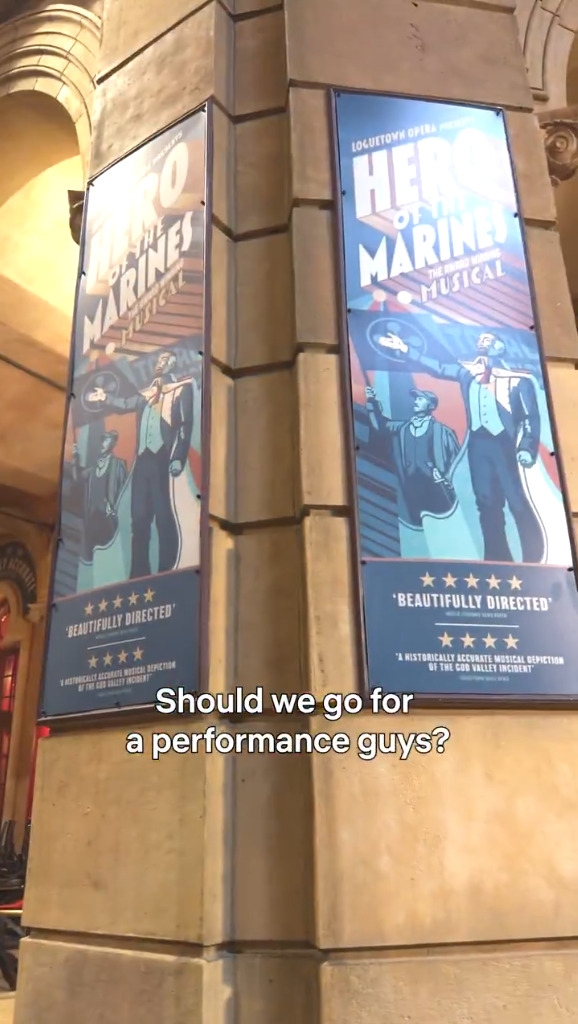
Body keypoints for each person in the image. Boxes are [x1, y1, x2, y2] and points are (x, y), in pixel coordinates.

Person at [377, 330, 544, 562]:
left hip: (505, 445)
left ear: (499, 348)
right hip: (478, 444)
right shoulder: (468, 374)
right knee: (486, 501)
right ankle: (497, 556)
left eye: (489, 339)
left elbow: (530, 417)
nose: (482, 341)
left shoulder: (517, 380)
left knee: (516, 500)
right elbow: (438, 367)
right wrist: (406, 349)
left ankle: (534, 555)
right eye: (481, 339)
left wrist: (526, 447)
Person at [88, 350, 194, 579]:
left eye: (165, 360)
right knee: (139, 518)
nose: (160, 363)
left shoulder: (181, 390)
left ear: (174, 364)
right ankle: (138, 572)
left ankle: (167, 569)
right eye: (159, 359)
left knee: (163, 517)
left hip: (163, 459)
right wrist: (105, 397)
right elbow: (125, 403)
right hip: (143, 461)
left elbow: (185, 425)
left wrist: (178, 457)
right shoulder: (146, 394)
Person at [365, 385, 459, 525]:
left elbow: (458, 464)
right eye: (416, 399)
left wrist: (445, 478)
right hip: (411, 489)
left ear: (431, 405)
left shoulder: (443, 432)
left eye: (420, 399)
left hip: (435, 490)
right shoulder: (404, 427)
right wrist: (372, 402)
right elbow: (381, 425)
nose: (416, 401)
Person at [72, 430, 127, 562]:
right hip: (91, 521)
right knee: (90, 558)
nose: (102, 443)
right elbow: (77, 478)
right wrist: (75, 457)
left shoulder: (118, 465)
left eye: (106, 439)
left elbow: (125, 494)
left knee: (108, 559)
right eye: (102, 439)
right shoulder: (93, 469)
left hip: (108, 522)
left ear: (113, 443)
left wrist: (114, 508)